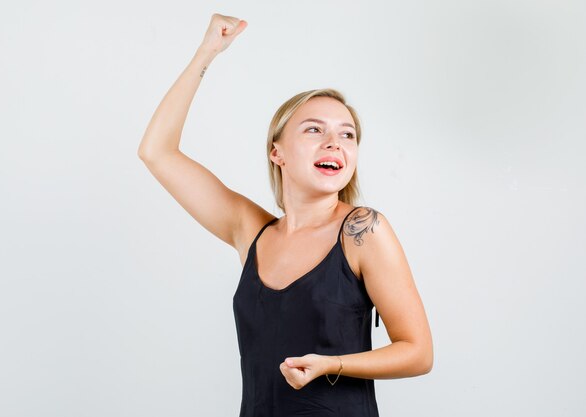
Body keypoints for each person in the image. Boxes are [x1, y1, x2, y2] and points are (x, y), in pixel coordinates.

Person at [137, 13, 433, 417]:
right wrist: (207, 52)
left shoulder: (363, 231)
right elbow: (157, 152)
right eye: (314, 130)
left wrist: (334, 365)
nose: (335, 142)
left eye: (347, 134)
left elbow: (418, 352)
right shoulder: (251, 231)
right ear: (277, 152)